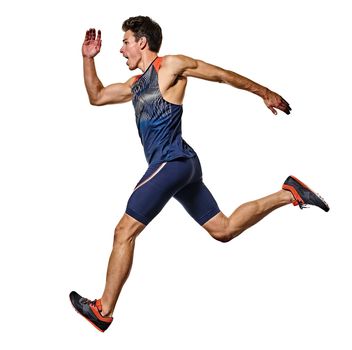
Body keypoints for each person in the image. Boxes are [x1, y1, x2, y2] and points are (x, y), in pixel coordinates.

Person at [70, 16, 329, 332]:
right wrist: (87, 59)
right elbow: (96, 96)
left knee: (124, 231)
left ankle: (103, 310)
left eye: (125, 42)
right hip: (182, 165)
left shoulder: (170, 65)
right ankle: (289, 193)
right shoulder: (135, 86)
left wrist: (264, 92)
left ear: (142, 42)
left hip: (172, 162)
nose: (121, 50)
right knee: (223, 229)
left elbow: (219, 75)